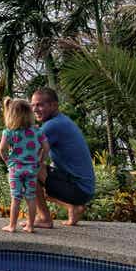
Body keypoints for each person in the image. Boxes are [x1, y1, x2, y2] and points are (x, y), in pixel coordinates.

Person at [31, 86, 96, 227]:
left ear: (54, 105)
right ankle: (72, 208)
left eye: (40, 105)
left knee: (27, 171)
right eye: (33, 105)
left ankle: (44, 218)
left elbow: (26, 151)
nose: (35, 109)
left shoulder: (52, 126)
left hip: (78, 189)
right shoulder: (61, 121)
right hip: (84, 189)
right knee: (39, 179)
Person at [0, 97, 47, 232]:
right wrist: (40, 160)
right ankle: (30, 226)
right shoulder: (37, 131)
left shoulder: (9, 132)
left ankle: (12, 226)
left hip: (16, 169)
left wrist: (8, 161)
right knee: (31, 197)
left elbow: (2, 149)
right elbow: (46, 148)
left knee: (16, 197)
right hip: (32, 169)